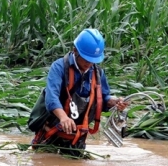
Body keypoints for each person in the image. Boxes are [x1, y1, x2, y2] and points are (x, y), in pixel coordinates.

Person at [29, 28, 128, 156]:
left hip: (77, 137)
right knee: (43, 162)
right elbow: (51, 97)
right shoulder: (59, 67)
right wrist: (63, 117)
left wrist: (113, 102)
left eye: (93, 60)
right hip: (52, 130)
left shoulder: (98, 73)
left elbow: (102, 99)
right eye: (86, 59)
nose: (90, 63)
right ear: (75, 51)